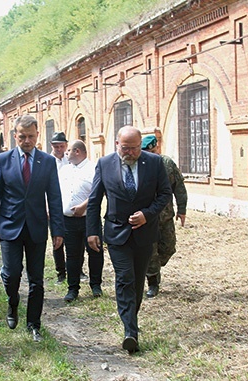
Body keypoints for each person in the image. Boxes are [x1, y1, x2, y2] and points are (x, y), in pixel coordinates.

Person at [86, 126, 172, 354]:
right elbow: (94, 200)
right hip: (116, 233)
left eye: (135, 148)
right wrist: (92, 231)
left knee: (137, 282)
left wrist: (147, 214)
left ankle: (130, 320)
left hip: (145, 233)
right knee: (124, 278)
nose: (131, 153)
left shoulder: (154, 163)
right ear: (117, 145)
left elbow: (164, 194)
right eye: (126, 148)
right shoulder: (105, 164)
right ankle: (130, 332)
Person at [0, 115, 64, 342]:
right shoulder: (3, 160)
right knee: (11, 275)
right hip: (9, 226)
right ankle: (12, 303)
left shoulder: (47, 162)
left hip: (37, 227)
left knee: (37, 279)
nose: (26, 140)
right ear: (15, 136)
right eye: (22, 136)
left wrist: (57, 229)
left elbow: (55, 197)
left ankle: (34, 324)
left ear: (37, 135)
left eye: (30, 136)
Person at [140, 135, 187, 297]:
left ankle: (154, 268)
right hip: (146, 219)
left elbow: (179, 186)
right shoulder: (139, 165)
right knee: (150, 252)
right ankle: (153, 282)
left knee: (168, 248)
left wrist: (182, 209)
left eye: (152, 151)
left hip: (165, 216)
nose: (149, 155)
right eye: (146, 152)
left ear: (157, 149)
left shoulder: (167, 164)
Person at [58, 140, 103, 302]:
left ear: (77, 151)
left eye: (68, 150)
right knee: (72, 255)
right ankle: (72, 288)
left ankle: (96, 285)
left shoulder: (94, 168)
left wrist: (84, 206)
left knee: (95, 252)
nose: (66, 153)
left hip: (89, 219)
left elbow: (98, 192)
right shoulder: (64, 170)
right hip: (68, 220)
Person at [49, 131, 69, 284]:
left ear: (66, 146)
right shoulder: (47, 161)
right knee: (57, 240)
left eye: (61, 146)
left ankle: (76, 269)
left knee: (73, 241)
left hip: (69, 206)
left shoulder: (71, 160)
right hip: (53, 208)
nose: (59, 149)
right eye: (56, 146)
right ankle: (60, 272)